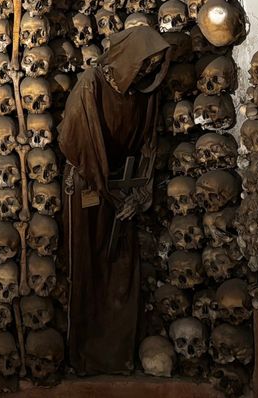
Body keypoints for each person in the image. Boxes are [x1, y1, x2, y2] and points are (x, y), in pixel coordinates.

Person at [58, 27, 171, 375]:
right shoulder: (91, 85)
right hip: (89, 185)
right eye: (145, 63)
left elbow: (148, 144)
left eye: (155, 65)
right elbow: (76, 140)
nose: (149, 71)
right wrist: (109, 189)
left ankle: (116, 354)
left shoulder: (145, 93)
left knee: (121, 269)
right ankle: (84, 356)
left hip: (122, 189)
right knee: (86, 265)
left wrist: (138, 193)